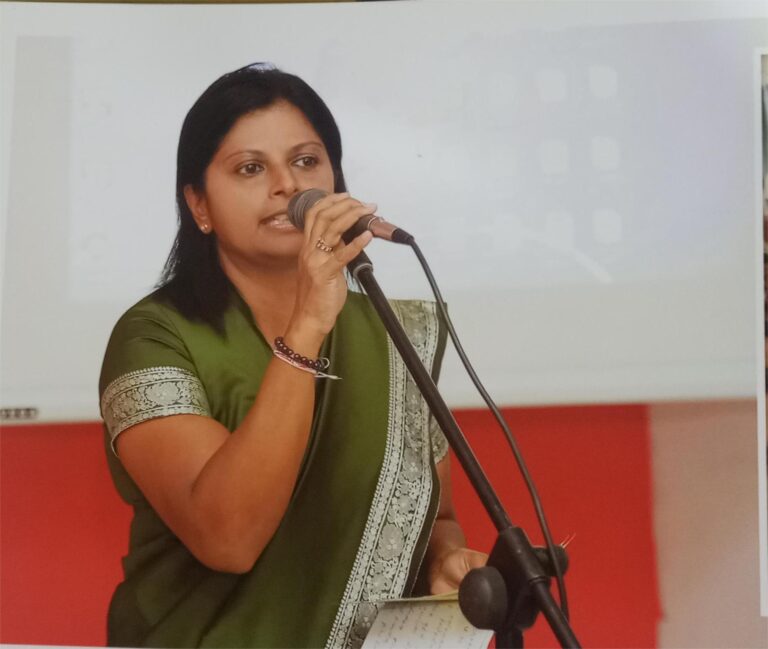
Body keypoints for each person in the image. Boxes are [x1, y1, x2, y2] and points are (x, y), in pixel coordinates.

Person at [99, 62, 486, 648]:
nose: (287, 185)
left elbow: (436, 520)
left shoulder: (394, 332)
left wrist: (445, 561)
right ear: (199, 205)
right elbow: (228, 539)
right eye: (250, 168)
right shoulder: (153, 338)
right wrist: (307, 325)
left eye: (306, 161)